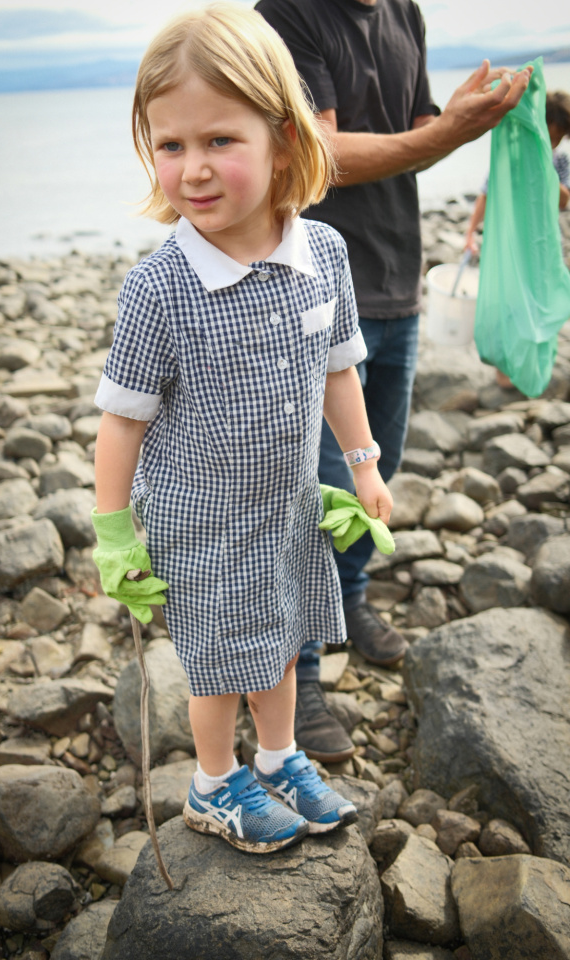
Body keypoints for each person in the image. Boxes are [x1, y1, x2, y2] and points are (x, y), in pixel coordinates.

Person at [90, 4, 393, 855]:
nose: (191, 168)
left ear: (284, 141)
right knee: (222, 659)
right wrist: (114, 533)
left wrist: (363, 465)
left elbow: (338, 369)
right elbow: (121, 421)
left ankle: (279, 757)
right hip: (202, 519)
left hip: (288, 500)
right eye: (170, 145)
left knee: (286, 636)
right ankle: (214, 783)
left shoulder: (323, 254)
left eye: (220, 140)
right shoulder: (161, 289)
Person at [256, 0, 532, 764]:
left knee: (380, 469)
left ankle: (347, 600)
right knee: (310, 498)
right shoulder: (286, 15)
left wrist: (464, 120)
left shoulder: (404, 11)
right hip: (309, 296)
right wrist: (444, 134)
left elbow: (416, 132)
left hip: (396, 278)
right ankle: (300, 675)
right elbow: (321, 152)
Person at [465, 89, 570, 257]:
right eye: (549, 137)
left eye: (558, 139)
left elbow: (563, 201)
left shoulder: (560, 160)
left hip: (546, 237)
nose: (552, 144)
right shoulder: (514, 157)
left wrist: (541, 165)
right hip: (514, 236)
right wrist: (470, 233)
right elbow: (486, 194)